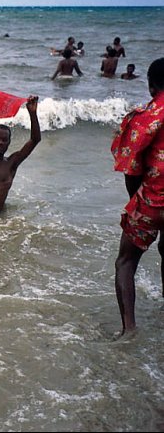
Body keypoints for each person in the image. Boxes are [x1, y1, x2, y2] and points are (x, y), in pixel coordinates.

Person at [110, 58, 164, 336]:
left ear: (151, 85)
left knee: (126, 262)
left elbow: (129, 166)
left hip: (153, 200)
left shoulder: (145, 115)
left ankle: (129, 329)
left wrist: (137, 202)